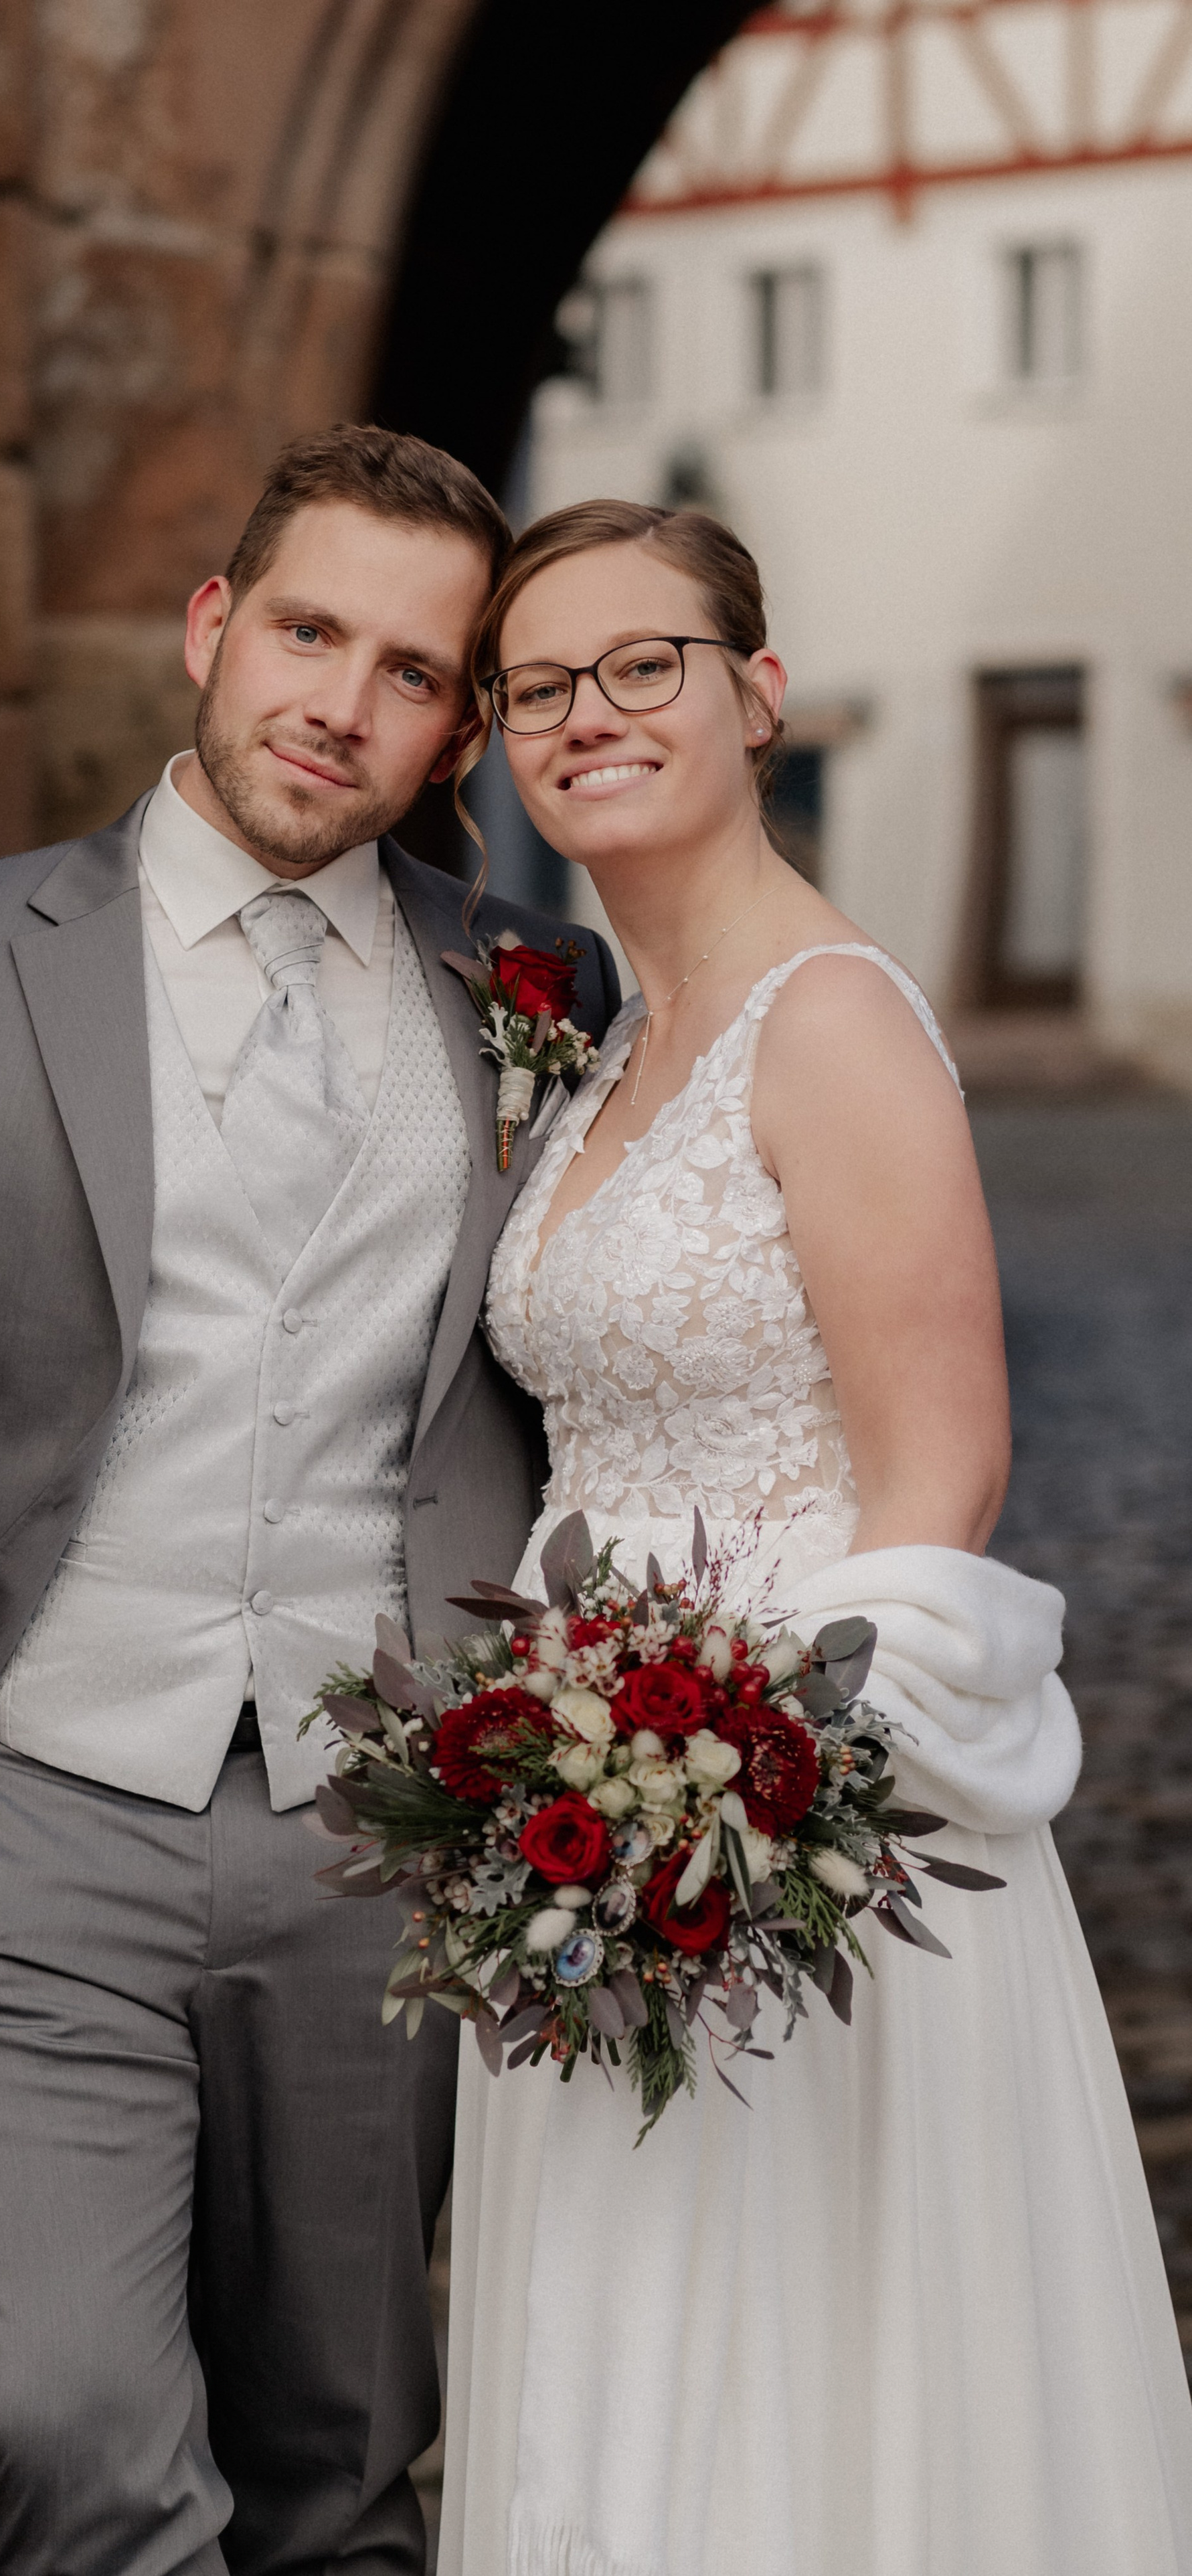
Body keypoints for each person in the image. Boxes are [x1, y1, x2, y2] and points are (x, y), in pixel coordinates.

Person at [0, 424, 620, 2576]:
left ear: (457, 722)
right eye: (306, 630)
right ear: (212, 626)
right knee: (75, 2435)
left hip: (378, 1849)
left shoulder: (540, 1001)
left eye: (408, 670)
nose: (337, 702)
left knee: (337, 2480)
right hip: (19, 1825)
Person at [438, 499, 1192, 2576]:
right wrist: (577, 1785)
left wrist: (732, 1805)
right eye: (536, 687)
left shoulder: (831, 1022)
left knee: (795, 2398)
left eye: (641, 665)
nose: (587, 715)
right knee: (622, 2370)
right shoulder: (594, 1052)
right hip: (589, 1825)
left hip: (786, 1834)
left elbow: (942, 1474)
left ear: (758, 696)